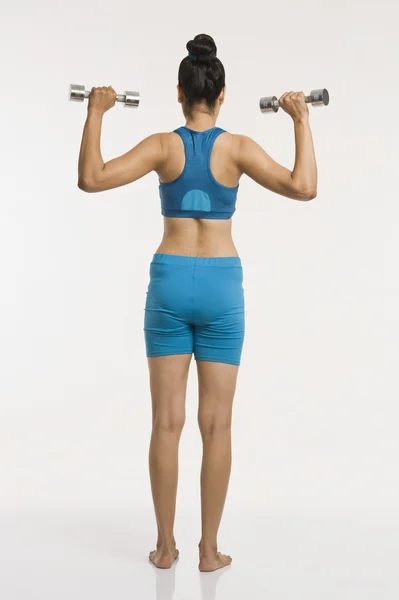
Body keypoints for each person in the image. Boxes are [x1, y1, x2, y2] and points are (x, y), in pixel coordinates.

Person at [77, 33, 317, 572]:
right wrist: (300, 119)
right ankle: (208, 552)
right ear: (223, 94)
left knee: (166, 424)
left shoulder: (164, 145)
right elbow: (305, 187)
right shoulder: (238, 149)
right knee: (217, 426)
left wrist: (96, 112)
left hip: (168, 281)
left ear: (179, 93)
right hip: (221, 287)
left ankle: (165, 548)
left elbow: (90, 178)